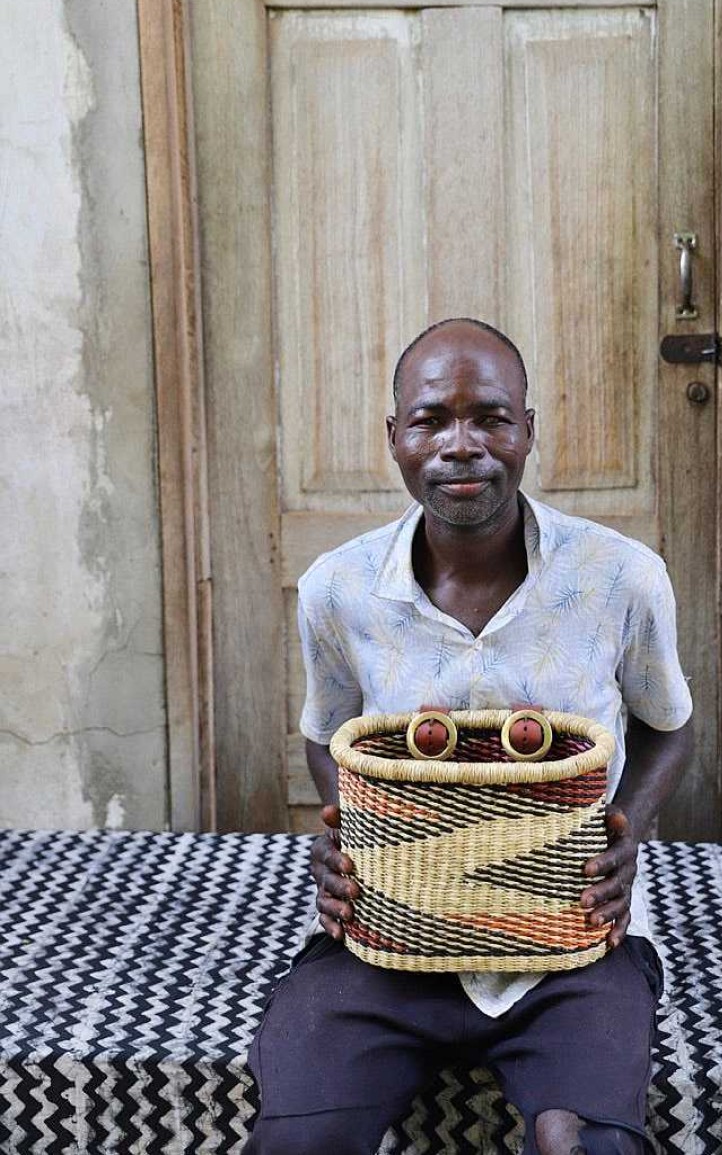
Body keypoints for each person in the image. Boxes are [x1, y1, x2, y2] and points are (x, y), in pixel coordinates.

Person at [244, 318, 694, 1155]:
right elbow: (327, 731)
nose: (462, 445)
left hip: (569, 940)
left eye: (490, 417)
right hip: (388, 936)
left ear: (528, 429)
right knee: (298, 1144)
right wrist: (350, 831)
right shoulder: (337, 587)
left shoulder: (619, 577)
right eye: (430, 420)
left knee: (584, 1145)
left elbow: (669, 727)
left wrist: (624, 828)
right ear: (394, 438)